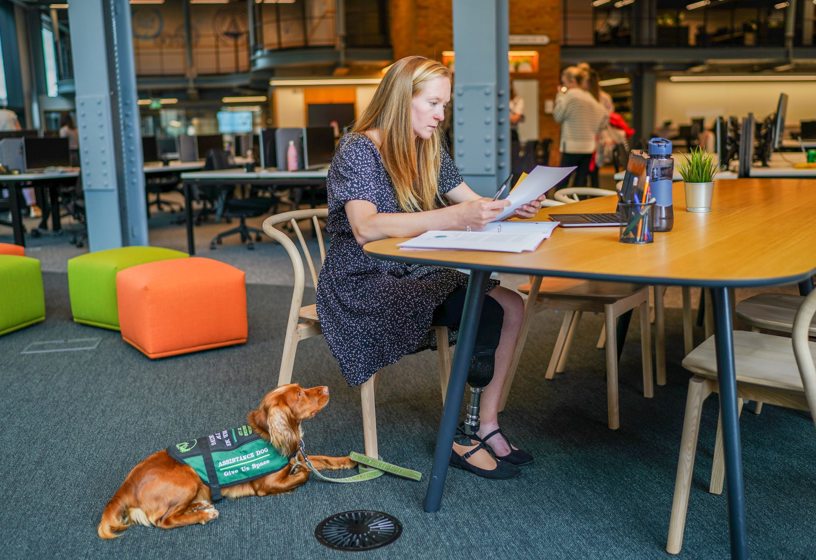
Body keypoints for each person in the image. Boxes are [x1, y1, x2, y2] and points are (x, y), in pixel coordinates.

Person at [315, 55, 545, 479]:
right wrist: (452, 218)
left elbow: (469, 203)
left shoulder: (428, 147)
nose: (441, 115)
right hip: (364, 280)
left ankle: (486, 424)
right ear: (403, 100)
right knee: (487, 308)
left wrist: (511, 209)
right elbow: (365, 228)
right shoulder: (358, 149)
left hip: (414, 270)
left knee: (512, 304)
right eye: (434, 103)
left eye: (445, 106)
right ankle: (462, 436)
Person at [553, 66, 608, 189]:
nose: (564, 86)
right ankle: (578, 207)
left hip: (571, 146)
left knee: (563, 183)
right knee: (580, 183)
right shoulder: (590, 97)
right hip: (588, 147)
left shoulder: (570, 95)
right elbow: (603, 118)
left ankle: (557, 207)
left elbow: (558, 116)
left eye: (564, 82)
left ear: (571, 81)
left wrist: (560, 96)